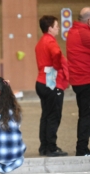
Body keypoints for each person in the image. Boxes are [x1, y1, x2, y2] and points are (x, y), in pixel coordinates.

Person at [35, 15, 69, 157]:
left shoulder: (41, 42)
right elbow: (56, 53)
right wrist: (57, 66)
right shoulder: (51, 42)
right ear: (50, 28)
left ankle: (44, 146)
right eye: (56, 26)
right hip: (52, 84)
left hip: (41, 83)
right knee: (54, 116)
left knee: (46, 115)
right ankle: (51, 147)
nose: (58, 28)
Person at [66, 7, 90, 156]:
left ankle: (82, 148)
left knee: (85, 115)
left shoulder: (73, 32)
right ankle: (81, 149)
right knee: (86, 116)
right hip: (86, 81)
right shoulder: (85, 33)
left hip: (78, 81)